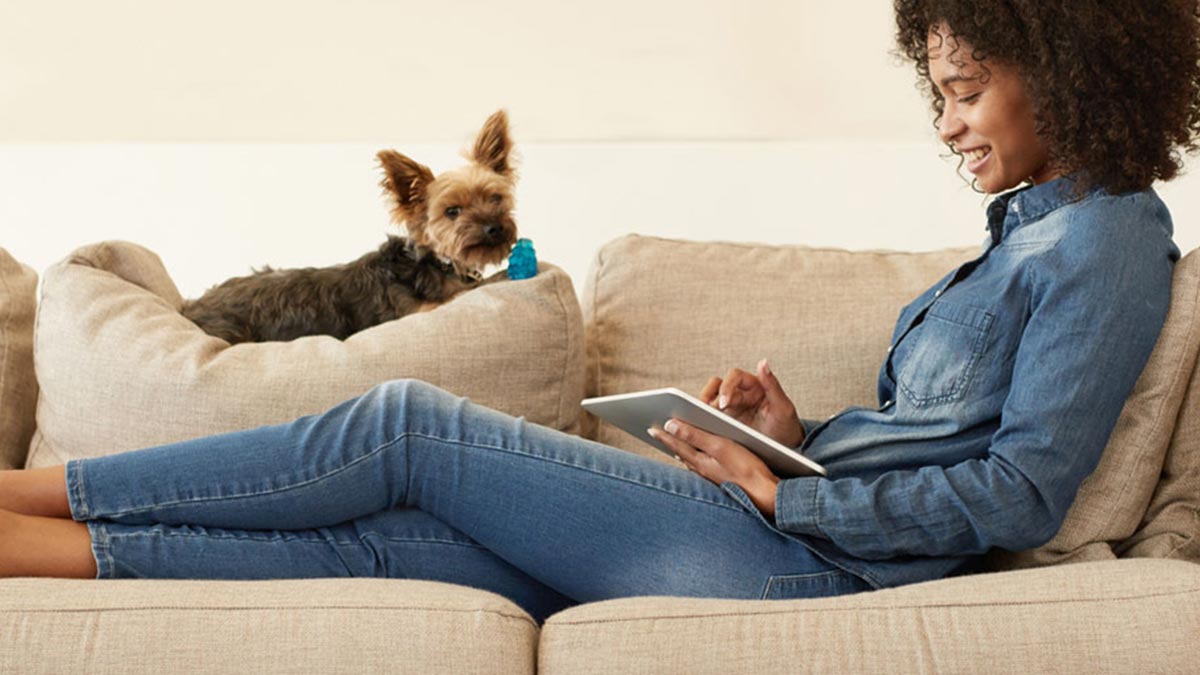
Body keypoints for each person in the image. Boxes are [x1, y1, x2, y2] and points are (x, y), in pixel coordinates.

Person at [1, 1, 1198, 624]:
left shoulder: (1110, 238)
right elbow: (932, 434)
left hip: (818, 562)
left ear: (1069, 64)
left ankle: (26, 493)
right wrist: (799, 432)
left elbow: (1021, 492)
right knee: (404, 557)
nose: (944, 125)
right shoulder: (1027, 235)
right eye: (938, 93)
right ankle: (47, 551)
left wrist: (787, 493)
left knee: (408, 429)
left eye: (964, 91)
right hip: (803, 525)